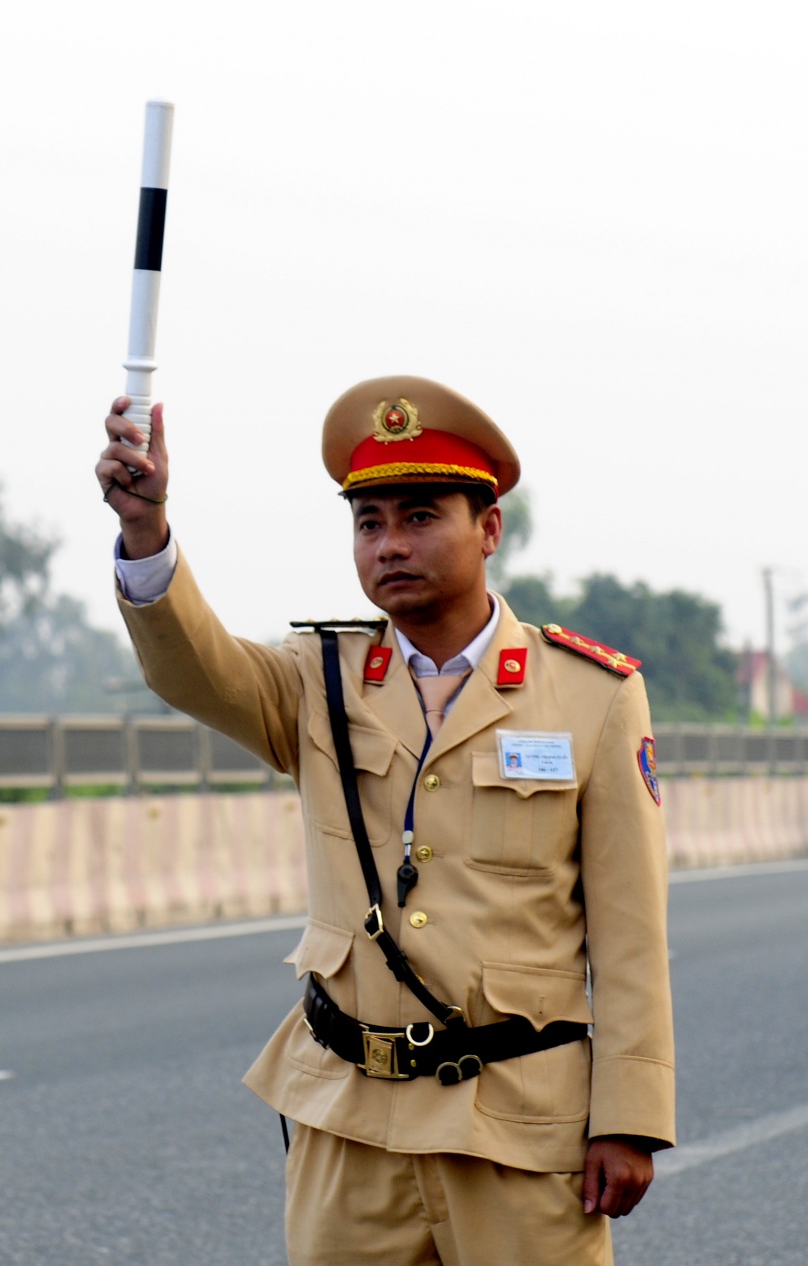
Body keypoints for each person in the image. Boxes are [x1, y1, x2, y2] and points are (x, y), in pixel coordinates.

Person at [95, 375, 674, 1265]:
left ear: (488, 528)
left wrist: (630, 1119)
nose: (389, 546)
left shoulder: (591, 695)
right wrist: (146, 531)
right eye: (369, 524)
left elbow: (631, 934)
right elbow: (191, 670)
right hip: (349, 1125)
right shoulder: (318, 679)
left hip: (518, 1127)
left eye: (419, 516)